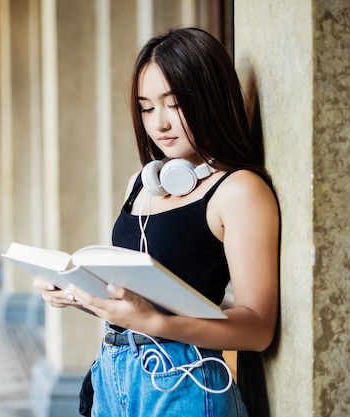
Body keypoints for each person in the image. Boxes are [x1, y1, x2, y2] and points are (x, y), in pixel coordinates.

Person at [34, 27, 280, 417]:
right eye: (147, 107)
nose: (158, 123)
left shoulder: (238, 191)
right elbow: (138, 301)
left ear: (211, 99)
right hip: (114, 374)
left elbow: (258, 328)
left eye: (174, 103)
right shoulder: (141, 183)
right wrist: (80, 292)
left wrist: (153, 321)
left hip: (183, 382)